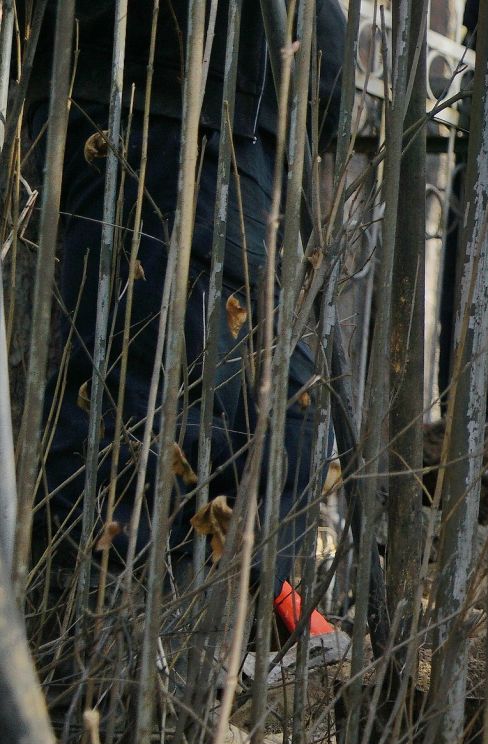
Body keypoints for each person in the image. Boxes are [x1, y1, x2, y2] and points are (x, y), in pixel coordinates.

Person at [24, 0, 352, 632]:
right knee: (146, 409)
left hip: (245, 122)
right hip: (162, 104)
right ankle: (97, 667)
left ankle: (255, 623)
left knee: (290, 409)